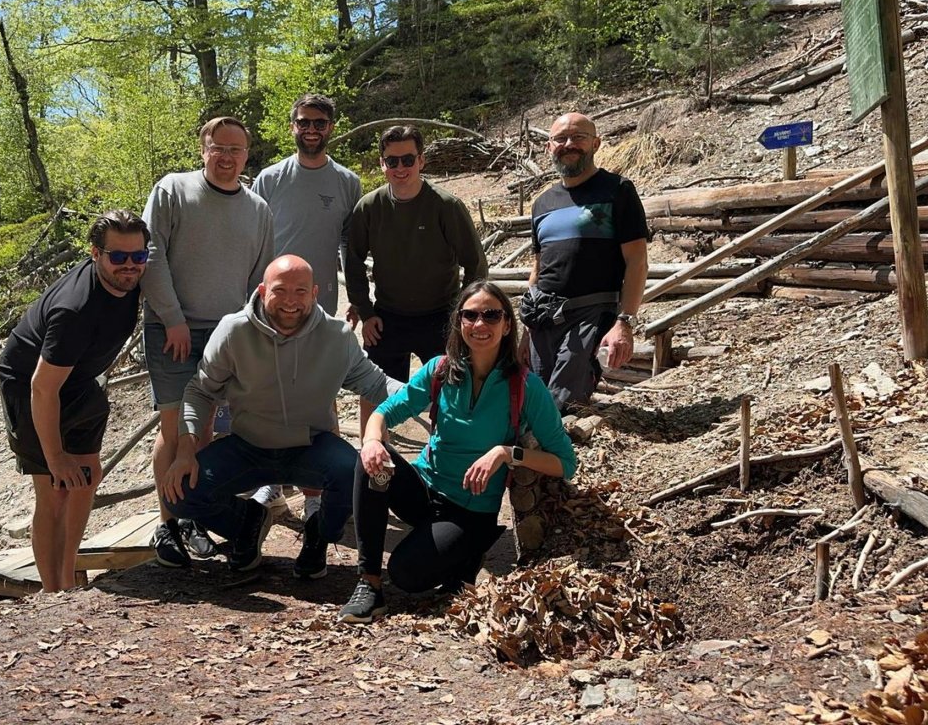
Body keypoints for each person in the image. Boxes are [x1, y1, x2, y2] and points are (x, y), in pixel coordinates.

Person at [340, 281, 577, 623]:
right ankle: (369, 586)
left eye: (491, 315)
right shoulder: (440, 369)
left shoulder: (525, 386)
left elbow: (564, 463)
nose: (480, 324)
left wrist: (507, 453)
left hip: (470, 509)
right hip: (424, 490)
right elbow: (383, 413)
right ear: (459, 322)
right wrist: (374, 440)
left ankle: (466, 555)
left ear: (507, 324)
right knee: (368, 461)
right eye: (471, 315)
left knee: (407, 575)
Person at [162, 255, 401, 579]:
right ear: (262, 291)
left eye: (300, 291)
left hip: (311, 446)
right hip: (248, 446)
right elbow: (201, 391)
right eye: (280, 290)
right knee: (178, 492)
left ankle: (320, 533)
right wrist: (186, 451)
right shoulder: (233, 331)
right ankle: (247, 522)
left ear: (315, 293)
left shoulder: (336, 336)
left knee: (353, 474)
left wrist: (428, 391)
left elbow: (375, 383)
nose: (290, 301)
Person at [141, 116, 276, 568]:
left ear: (246, 156)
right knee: (173, 427)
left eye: (236, 150)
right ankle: (169, 522)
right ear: (203, 149)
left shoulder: (258, 210)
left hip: (228, 333)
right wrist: (173, 319)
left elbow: (261, 280)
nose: (227, 157)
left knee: (207, 432)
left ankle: (194, 514)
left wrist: (250, 331)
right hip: (172, 329)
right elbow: (151, 254)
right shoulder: (172, 191)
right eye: (218, 147)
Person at [0, 209, 151, 592]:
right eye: (118, 257)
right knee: (54, 487)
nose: (129, 265)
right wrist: (55, 457)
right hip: (32, 386)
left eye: (138, 256)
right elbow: (42, 388)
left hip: (79, 380)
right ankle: (54, 592)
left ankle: (68, 580)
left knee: (85, 478)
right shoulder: (75, 310)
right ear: (95, 254)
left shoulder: (134, 277)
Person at [250, 92, 361, 521]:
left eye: (319, 122)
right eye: (303, 122)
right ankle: (271, 484)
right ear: (292, 126)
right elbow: (254, 241)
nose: (311, 129)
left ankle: (316, 491)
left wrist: (357, 299)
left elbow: (352, 247)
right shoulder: (270, 178)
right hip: (268, 305)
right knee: (264, 392)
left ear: (331, 126)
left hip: (321, 305)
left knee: (317, 394)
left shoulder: (346, 182)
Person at [344, 125, 487, 436]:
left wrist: (463, 316)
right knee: (374, 388)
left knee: (449, 388)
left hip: (440, 315)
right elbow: (352, 262)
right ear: (381, 164)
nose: (400, 168)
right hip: (387, 316)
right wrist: (366, 313)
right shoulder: (369, 207)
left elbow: (475, 264)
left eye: (407, 160)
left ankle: (445, 452)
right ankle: (373, 454)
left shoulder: (445, 206)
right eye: (391, 161)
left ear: (422, 160)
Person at [521, 112, 649, 411]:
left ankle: (553, 455)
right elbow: (538, 268)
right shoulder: (542, 203)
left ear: (596, 143)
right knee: (534, 398)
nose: (569, 144)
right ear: (548, 147)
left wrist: (624, 322)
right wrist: (526, 331)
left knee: (563, 401)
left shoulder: (617, 190)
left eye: (578, 137)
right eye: (560, 139)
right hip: (543, 317)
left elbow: (637, 262)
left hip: (590, 314)